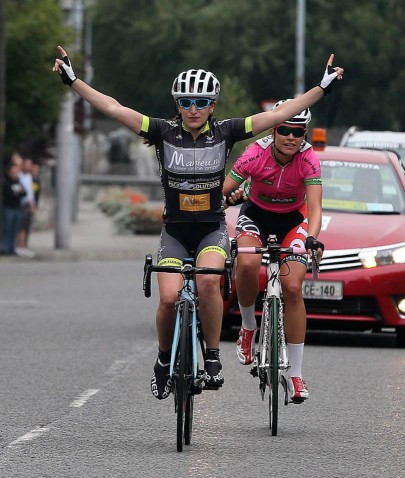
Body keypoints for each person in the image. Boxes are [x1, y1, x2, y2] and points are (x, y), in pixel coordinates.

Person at [53, 45, 343, 400]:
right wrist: (74, 82)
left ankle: (213, 356)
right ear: (177, 105)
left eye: (201, 102)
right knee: (169, 300)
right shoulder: (160, 131)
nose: (193, 109)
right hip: (174, 231)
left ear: (213, 106)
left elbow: (282, 114)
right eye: (186, 102)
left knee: (208, 285)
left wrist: (322, 88)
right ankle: (163, 360)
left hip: (211, 230)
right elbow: (114, 108)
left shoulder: (227, 132)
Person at [223, 99, 324, 403]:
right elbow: (224, 189)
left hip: (294, 220)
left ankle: (295, 374)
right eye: (286, 130)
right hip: (256, 214)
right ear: (275, 129)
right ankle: (248, 326)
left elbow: (316, 208)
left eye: (299, 132)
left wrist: (312, 238)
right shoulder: (255, 152)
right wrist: (224, 200)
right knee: (248, 262)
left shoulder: (309, 159)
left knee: (293, 288)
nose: (292, 137)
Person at [1, 160, 26, 255]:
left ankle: (12, 248)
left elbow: (24, 192)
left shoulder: (17, 180)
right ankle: (5, 247)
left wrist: (16, 193)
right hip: (9, 207)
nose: (16, 171)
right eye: (15, 169)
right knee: (7, 228)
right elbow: (8, 194)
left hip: (17, 207)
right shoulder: (6, 180)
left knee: (15, 229)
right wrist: (17, 193)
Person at [15, 155, 36, 258]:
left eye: (30, 165)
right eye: (27, 164)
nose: (29, 166)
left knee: (26, 227)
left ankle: (24, 246)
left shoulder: (29, 176)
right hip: (22, 204)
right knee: (21, 228)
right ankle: (19, 247)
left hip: (29, 204)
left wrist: (33, 205)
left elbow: (31, 193)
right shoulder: (19, 176)